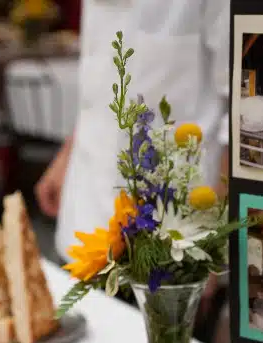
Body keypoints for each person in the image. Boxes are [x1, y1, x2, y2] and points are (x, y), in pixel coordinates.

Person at [36, 0, 230, 275]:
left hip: (170, 239)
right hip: (81, 221)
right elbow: (102, 82)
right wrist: (66, 155)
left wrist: (215, 238)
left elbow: (250, 109)